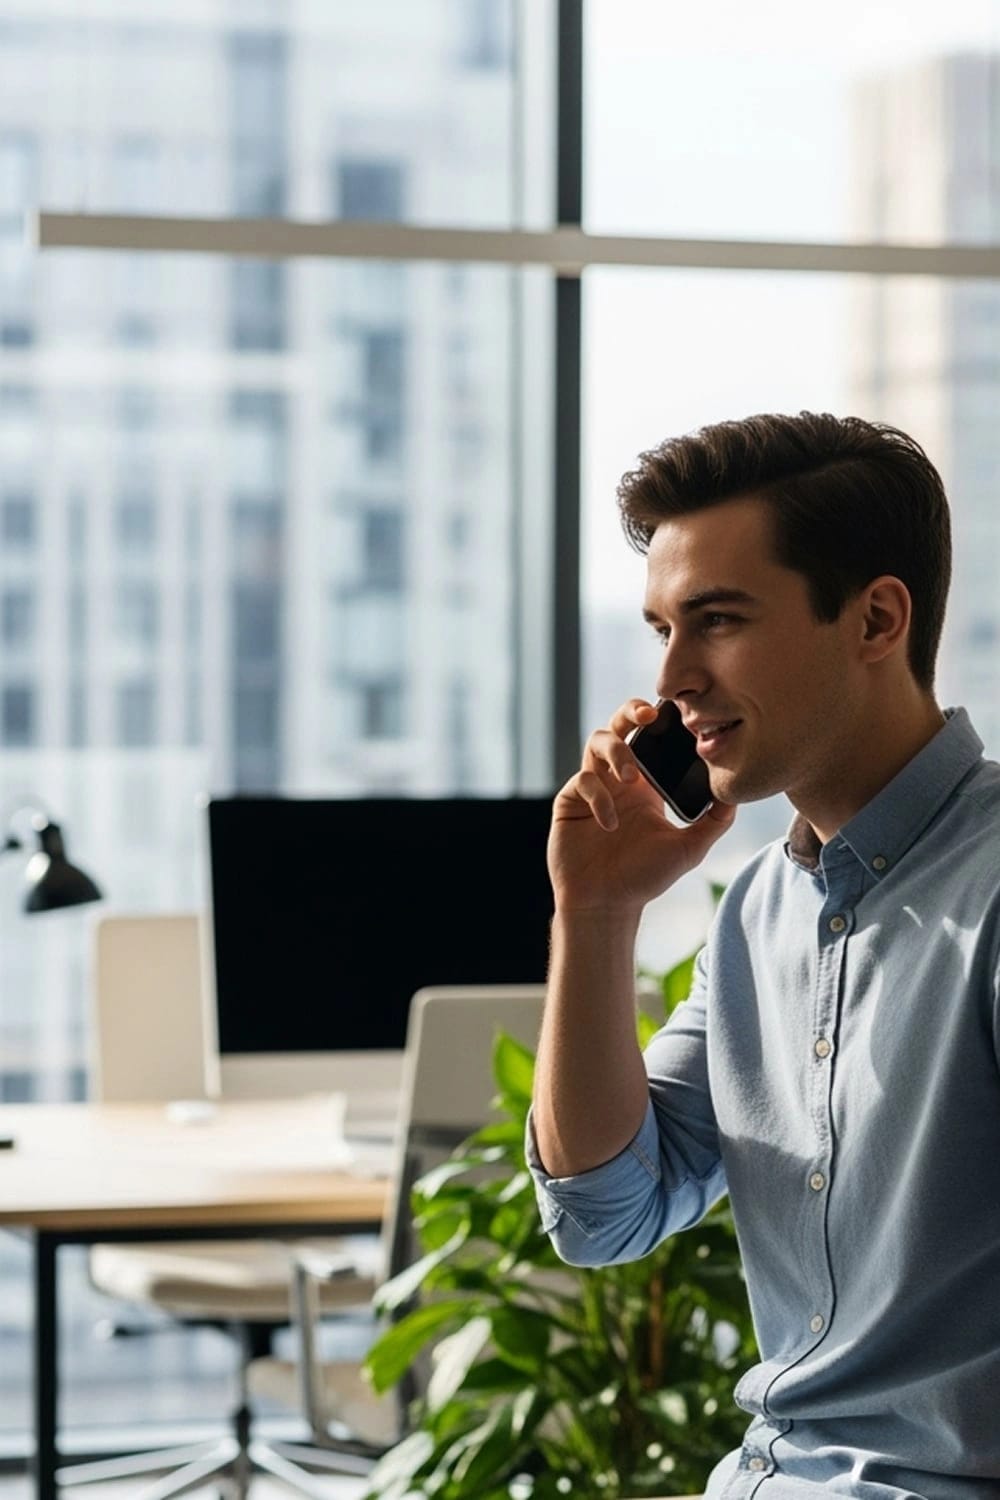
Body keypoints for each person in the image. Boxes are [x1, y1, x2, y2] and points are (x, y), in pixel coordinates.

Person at [527, 411, 1000, 1499]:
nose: (673, 677)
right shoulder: (759, 914)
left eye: (719, 621)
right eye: (663, 629)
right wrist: (594, 912)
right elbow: (604, 1216)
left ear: (875, 619)